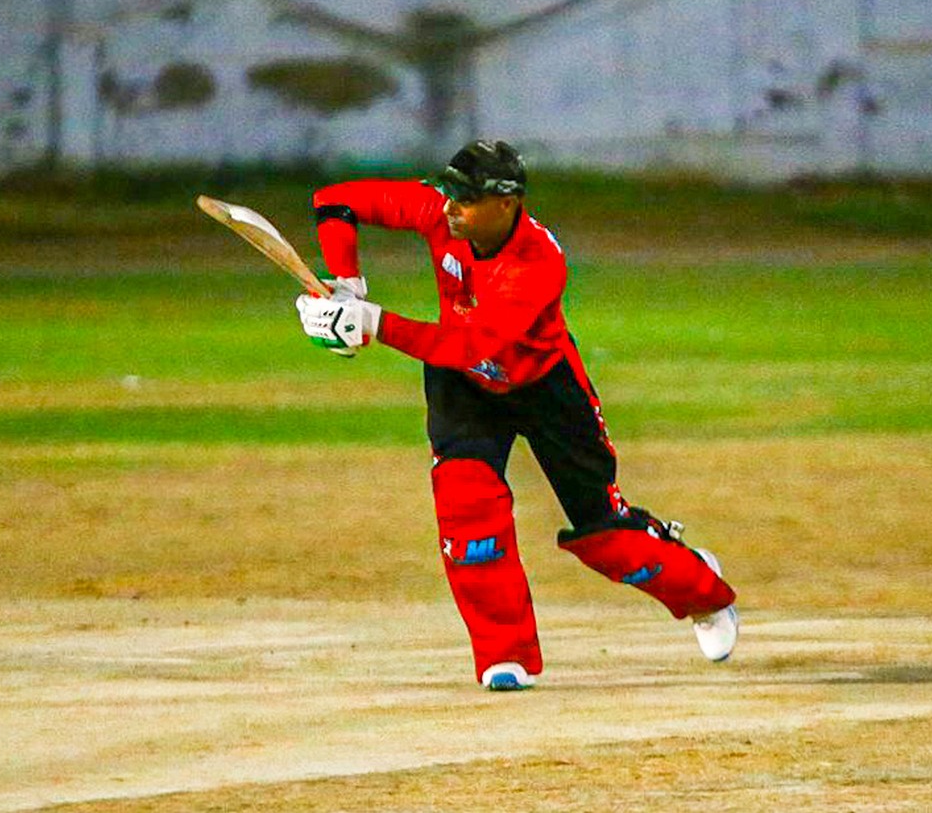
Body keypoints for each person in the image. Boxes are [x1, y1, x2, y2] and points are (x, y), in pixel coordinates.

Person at [293, 139, 739, 690]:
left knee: (608, 541)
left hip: (546, 389)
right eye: (449, 195)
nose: (449, 208)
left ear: (505, 204)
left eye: (465, 200)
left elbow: (473, 346)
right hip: (464, 387)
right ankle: (504, 654)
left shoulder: (537, 263)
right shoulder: (441, 211)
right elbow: (334, 201)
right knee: (466, 508)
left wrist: (370, 322)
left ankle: (703, 592)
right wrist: (347, 283)